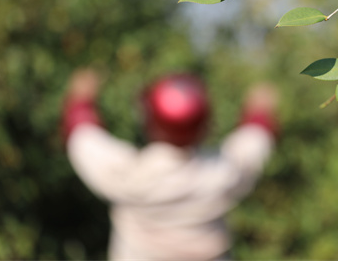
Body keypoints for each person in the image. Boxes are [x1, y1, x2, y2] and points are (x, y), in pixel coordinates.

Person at [61, 69, 279, 260]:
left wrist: (81, 98)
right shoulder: (224, 173)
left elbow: (82, 135)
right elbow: (255, 139)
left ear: (150, 121)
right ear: (205, 124)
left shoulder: (128, 175)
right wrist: (259, 108)